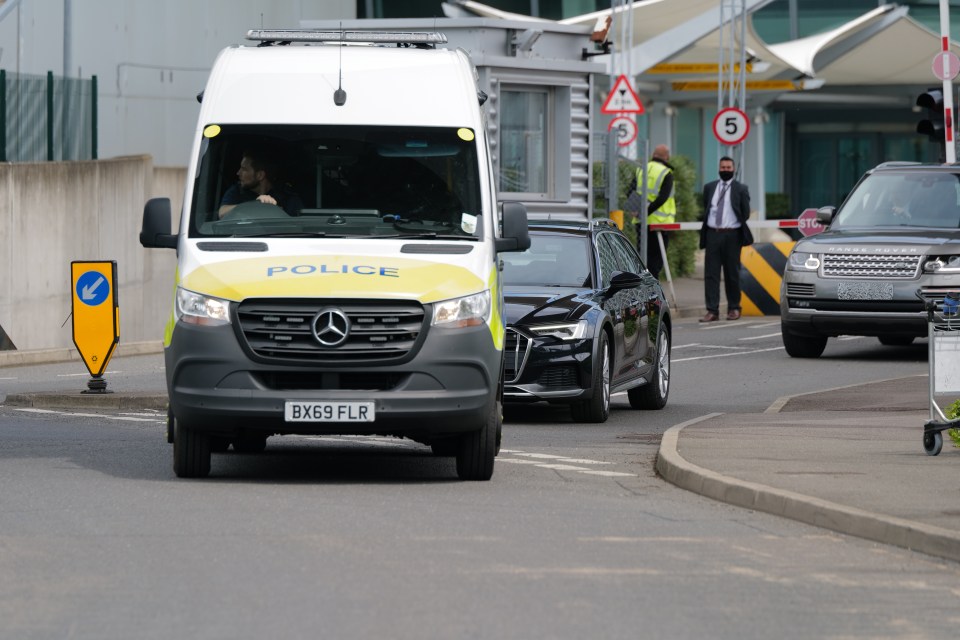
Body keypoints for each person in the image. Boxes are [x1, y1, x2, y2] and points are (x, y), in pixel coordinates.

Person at [698, 155, 753, 322]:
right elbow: (706, 207)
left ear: (734, 170)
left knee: (732, 273)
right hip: (713, 234)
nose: (726, 170)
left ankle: (734, 308)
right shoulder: (709, 187)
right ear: (719, 168)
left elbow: (745, 213)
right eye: (723, 167)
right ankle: (712, 310)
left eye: (729, 168)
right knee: (711, 274)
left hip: (732, 235)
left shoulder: (741, 188)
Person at [628, 144, 675, 279]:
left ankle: (643, 289)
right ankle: (653, 293)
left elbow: (630, 192)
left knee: (643, 260)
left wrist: (636, 210)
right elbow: (662, 199)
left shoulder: (641, 169)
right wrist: (646, 212)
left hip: (641, 223)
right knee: (655, 263)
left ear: (653, 155)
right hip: (659, 224)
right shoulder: (666, 172)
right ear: (667, 157)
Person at [218, 149, 304, 218]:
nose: (238, 173)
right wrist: (254, 205)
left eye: (244, 169)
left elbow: (296, 227)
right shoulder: (237, 190)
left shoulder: (287, 197)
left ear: (260, 175)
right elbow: (222, 213)